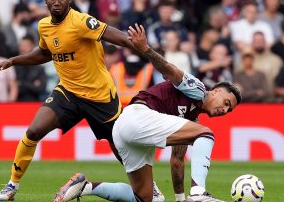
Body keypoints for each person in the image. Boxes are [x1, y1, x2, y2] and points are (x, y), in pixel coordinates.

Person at [0, 0, 163, 201]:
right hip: (68, 92)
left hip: (100, 96)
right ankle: (11, 186)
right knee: (33, 131)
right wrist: (13, 60)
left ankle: (151, 185)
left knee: (120, 146)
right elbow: (44, 53)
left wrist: (139, 45)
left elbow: (114, 35)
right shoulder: (44, 26)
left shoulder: (81, 22)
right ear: (45, 1)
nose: (57, 2)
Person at [53, 24, 241, 202]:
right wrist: (146, 49)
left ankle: (85, 187)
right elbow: (170, 70)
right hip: (138, 116)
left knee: (148, 198)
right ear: (215, 91)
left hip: (125, 129)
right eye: (226, 102)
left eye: (229, 109)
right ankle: (199, 193)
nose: (224, 110)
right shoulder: (199, 89)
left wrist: (180, 198)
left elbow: (177, 161)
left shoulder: (192, 119)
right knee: (207, 134)